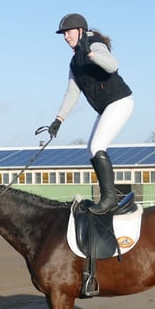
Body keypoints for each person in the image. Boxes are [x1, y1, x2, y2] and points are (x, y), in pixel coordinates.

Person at [49, 13, 134, 214]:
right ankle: (108, 197)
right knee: (91, 148)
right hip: (107, 107)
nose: (65, 37)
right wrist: (58, 120)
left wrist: (92, 55)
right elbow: (72, 92)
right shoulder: (74, 62)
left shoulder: (94, 44)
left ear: (80, 31)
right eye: (63, 34)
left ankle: (110, 199)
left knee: (97, 145)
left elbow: (113, 65)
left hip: (120, 101)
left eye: (67, 32)